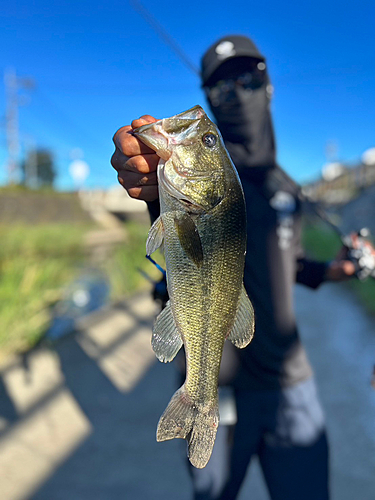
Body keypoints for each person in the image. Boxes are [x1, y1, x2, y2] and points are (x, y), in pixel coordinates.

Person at [111, 35, 362, 500]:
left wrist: (335, 271)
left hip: (291, 381)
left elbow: (293, 263)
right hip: (218, 385)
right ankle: (196, 399)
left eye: (248, 77)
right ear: (208, 95)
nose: (236, 91)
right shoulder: (212, 175)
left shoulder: (284, 183)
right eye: (221, 85)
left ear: (268, 85)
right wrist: (147, 182)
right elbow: (174, 216)